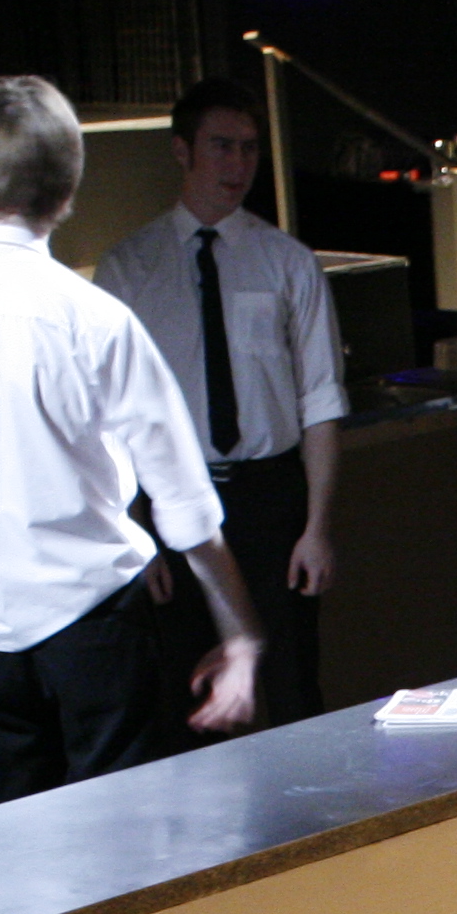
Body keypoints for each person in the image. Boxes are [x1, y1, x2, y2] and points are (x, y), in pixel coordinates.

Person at [0, 76, 262, 806]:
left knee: (13, 854)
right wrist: (241, 635)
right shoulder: (92, 319)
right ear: (69, 186)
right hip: (97, 628)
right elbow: (184, 504)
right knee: (123, 846)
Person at [92, 80, 348, 727]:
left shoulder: (287, 262)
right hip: (174, 494)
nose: (238, 164)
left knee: (290, 681)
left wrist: (317, 527)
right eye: (222, 146)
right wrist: (136, 528)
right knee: (186, 688)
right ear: (183, 151)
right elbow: (111, 418)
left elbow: (320, 400)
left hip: (270, 496)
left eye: (249, 148)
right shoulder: (130, 268)